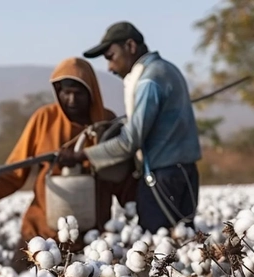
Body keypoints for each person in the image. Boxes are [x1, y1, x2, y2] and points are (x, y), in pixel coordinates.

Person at [0, 57, 137, 269]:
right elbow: (16, 170)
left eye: (78, 93)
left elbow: (120, 176)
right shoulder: (44, 119)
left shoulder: (106, 123)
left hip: (91, 240)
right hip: (40, 235)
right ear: (57, 92)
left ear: (91, 93)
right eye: (66, 92)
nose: (71, 99)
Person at [59, 22, 202, 234]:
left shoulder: (148, 81)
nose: (109, 67)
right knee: (183, 242)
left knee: (156, 252)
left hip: (163, 176)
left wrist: (82, 156)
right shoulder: (168, 69)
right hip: (185, 172)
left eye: (111, 57)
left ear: (130, 46)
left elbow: (129, 141)